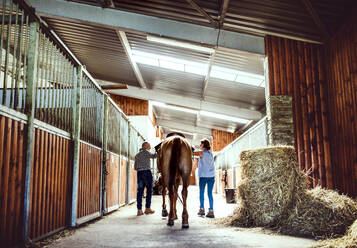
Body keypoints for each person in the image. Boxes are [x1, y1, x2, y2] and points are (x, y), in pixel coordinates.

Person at [193, 139, 215, 218]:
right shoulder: (211, 154)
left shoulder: (201, 153)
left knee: (201, 192)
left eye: (201, 144)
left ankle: (202, 209)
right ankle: (211, 211)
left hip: (203, 176)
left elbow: (192, 153)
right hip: (211, 176)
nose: (200, 146)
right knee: (209, 193)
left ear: (204, 145)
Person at [134, 141, 157, 216]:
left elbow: (135, 167)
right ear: (145, 146)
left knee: (140, 192)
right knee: (149, 190)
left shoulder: (137, 155)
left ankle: (139, 210)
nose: (150, 147)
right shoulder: (146, 152)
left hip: (139, 174)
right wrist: (159, 150)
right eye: (149, 146)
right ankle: (147, 208)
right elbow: (154, 156)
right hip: (147, 173)